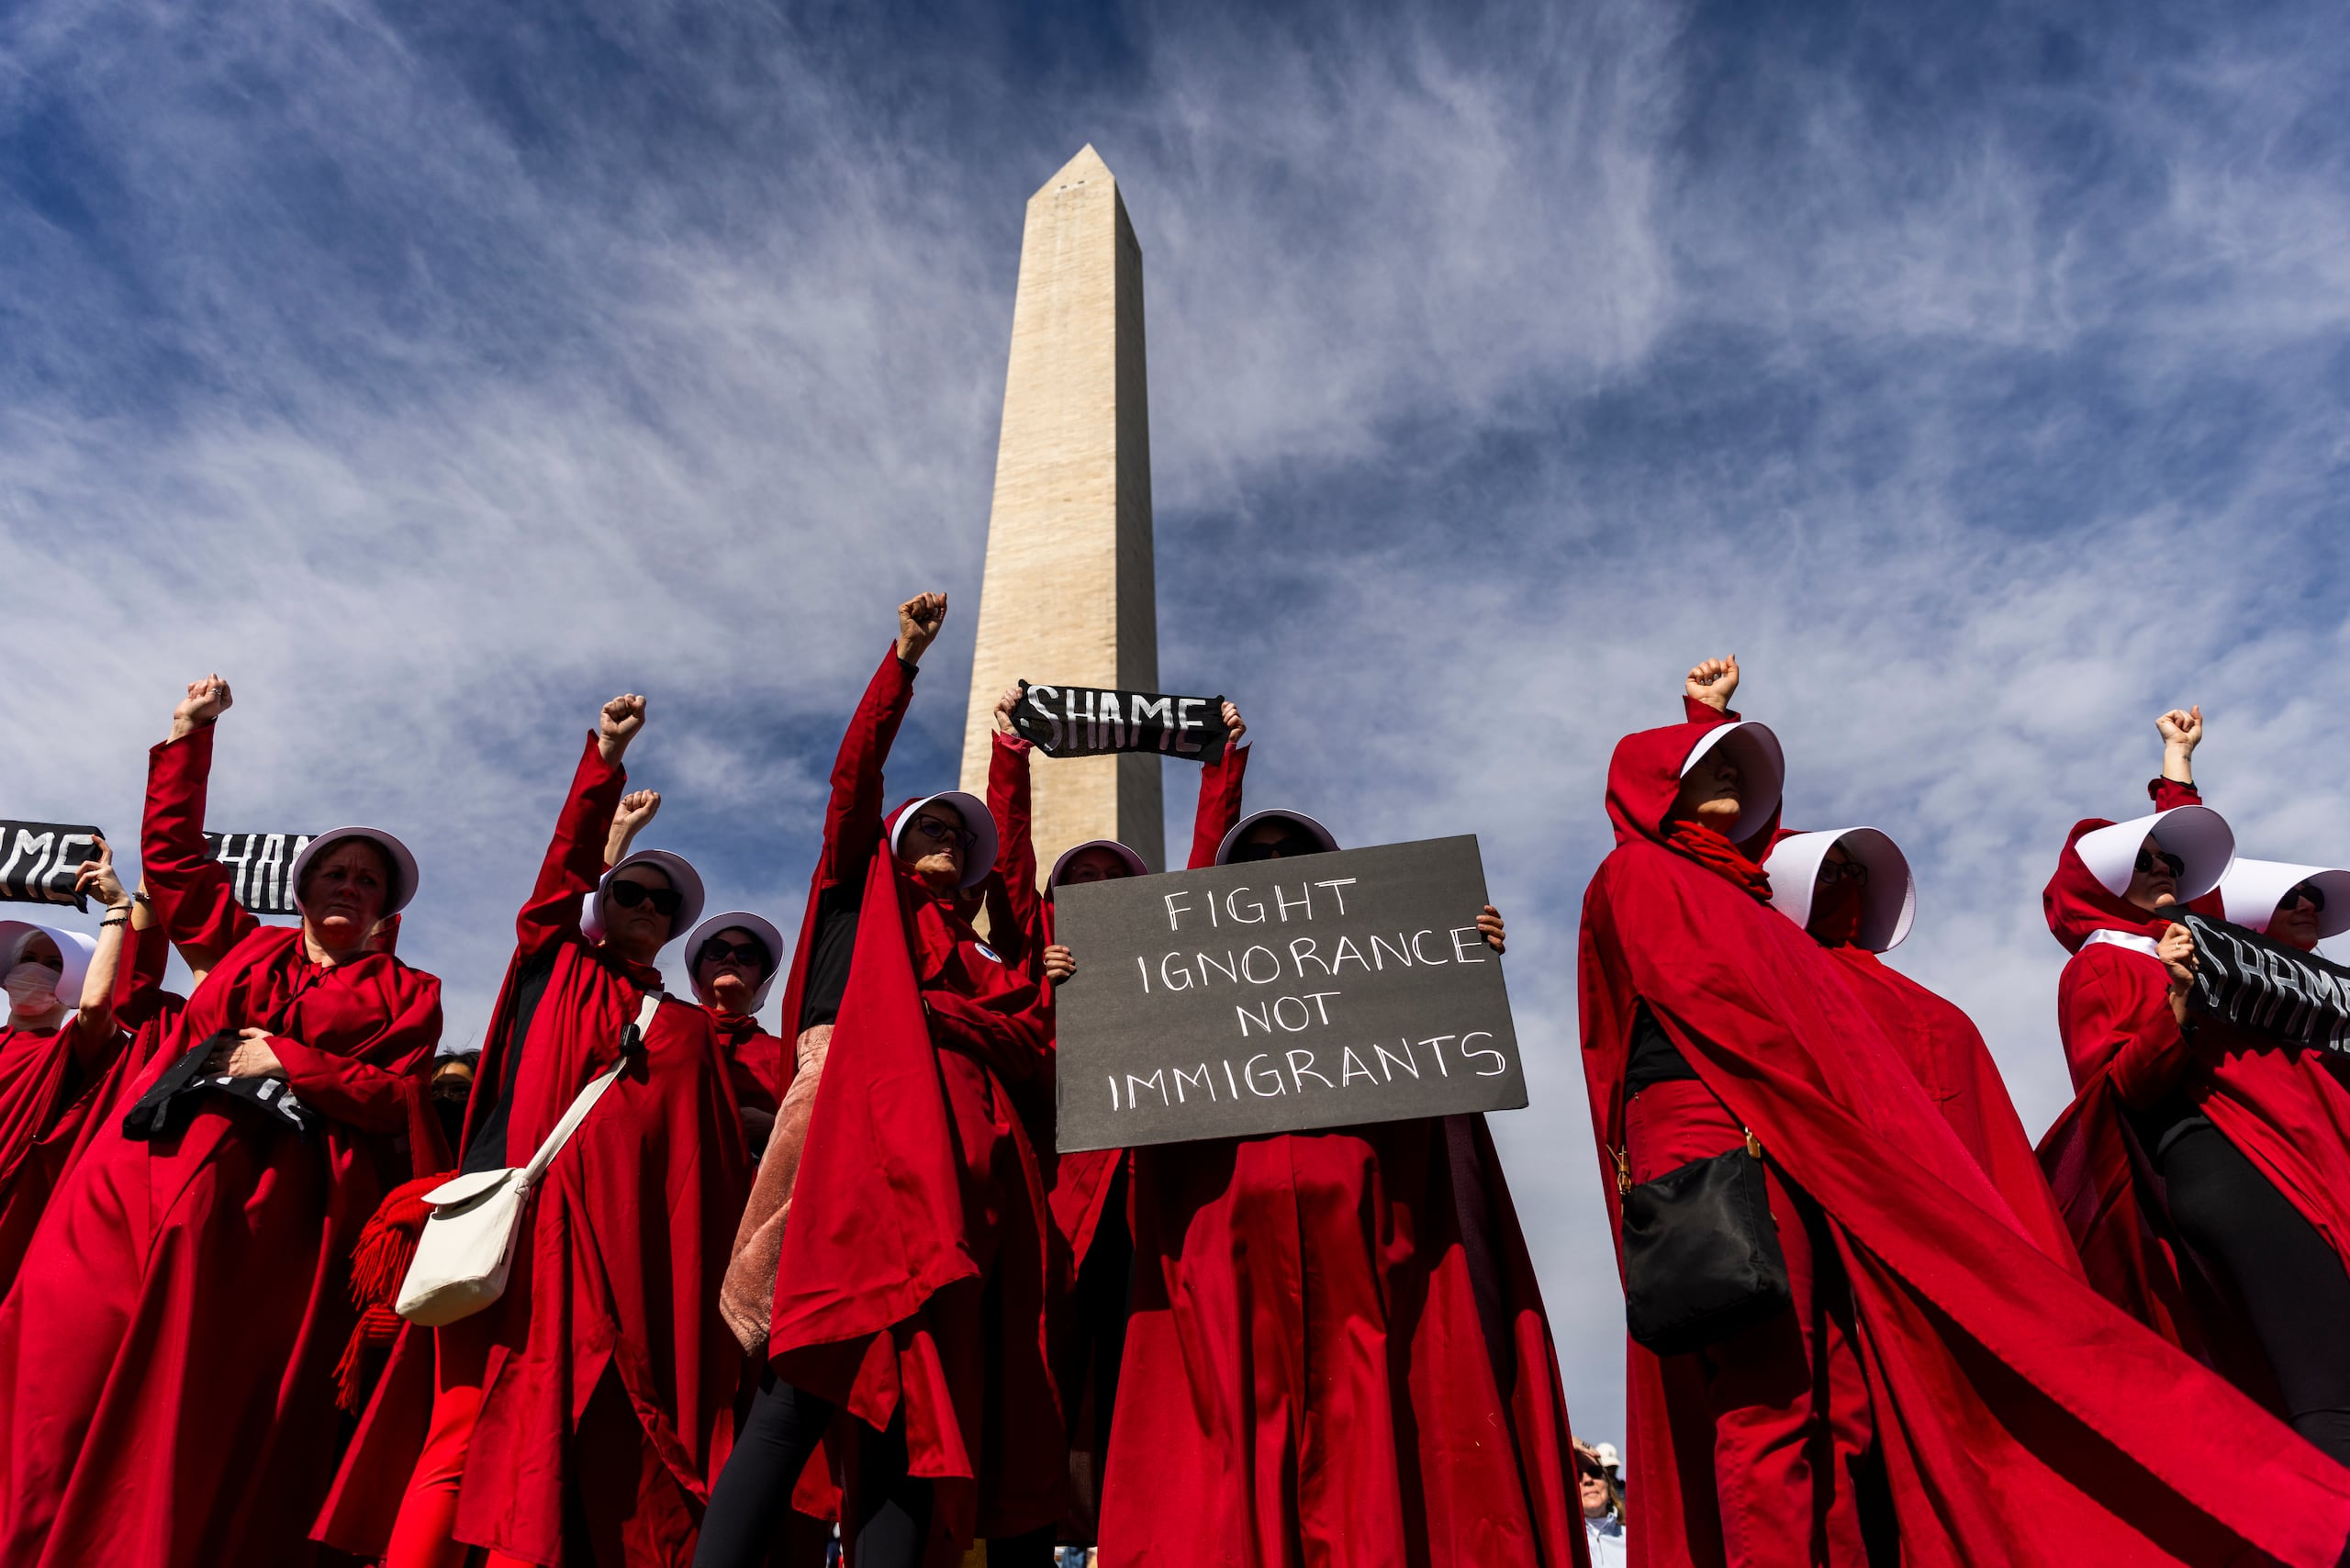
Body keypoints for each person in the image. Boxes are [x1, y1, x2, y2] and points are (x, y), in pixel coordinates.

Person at [1580, 658, 2350, 1567]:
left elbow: (2202, 914)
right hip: (1735, 1156)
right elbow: (1708, 998)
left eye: (1739, 772)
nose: (1737, 787)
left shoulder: (1747, 908)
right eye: (1709, 770)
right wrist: (1699, 720)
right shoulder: (1643, 877)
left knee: (1844, 1405)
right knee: (1772, 1400)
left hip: (1822, 1159)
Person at [0, 674, 445, 1568]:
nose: (349, 887)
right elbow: (170, 862)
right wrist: (187, 739)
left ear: (384, 908)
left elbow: (398, 1096)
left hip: (262, 1217)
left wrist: (294, 1060)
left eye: (367, 880)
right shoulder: (244, 944)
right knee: (60, 1353)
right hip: (137, 1175)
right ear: (305, 881)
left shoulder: (412, 994)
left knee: (186, 1408)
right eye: (335, 871)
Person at [1077, 792, 1578, 1564]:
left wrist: (1454, 959)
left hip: (1372, 1247)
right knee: (1235, 1450)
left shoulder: (1383, 971)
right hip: (1226, 1258)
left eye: (1294, 857)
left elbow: (1441, 1111)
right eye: (1256, 859)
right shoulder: (1177, 992)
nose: (1276, 870)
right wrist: (1083, 985)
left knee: (1377, 1435)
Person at [319, 691, 753, 1568]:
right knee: (463, 1434)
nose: (647, 906)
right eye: (630, 891)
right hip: (520, 1241)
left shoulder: (680, 1025)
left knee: (577, 1451)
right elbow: (559, 882)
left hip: (614, 1262)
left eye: (664, 905)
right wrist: (603, 760)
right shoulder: (552, 965)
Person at [696, 593, 1064, 1568]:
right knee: (807, 1375)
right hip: (854, 1156)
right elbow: (852, 787)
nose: (944, 838)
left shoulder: (987, 964)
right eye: (928, 827)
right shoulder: (856, 912)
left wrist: (1009, 760)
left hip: (962, 1186)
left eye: (960, 832)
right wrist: (901, 664)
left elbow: (1029, 1004)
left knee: (919, 1406)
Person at [2039, 707, 2350, 1463]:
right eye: (2144, 863)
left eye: (2172, 867)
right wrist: (2176, 1012)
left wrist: (2176, 759)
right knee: (2328, 1381)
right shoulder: (2102, 965)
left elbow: (2193, 850)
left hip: (2300, 1152)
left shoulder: (2206, 942)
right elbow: (2121, 1088)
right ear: (2101, 883)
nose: (2165, 872)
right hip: (2227, 1163)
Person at [979, 681, 1251, 1542]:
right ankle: (1040, 1538)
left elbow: (1207, 874)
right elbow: (1010, 861)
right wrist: (1010, 756)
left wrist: (1224, 765)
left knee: (1146, 1376)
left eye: (1113, 879)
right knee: (1053, 1380)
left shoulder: (1165, 952)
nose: (1096, 889)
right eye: (1081, 879)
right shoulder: (1033, 955)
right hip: (1063, 1206)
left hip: (1156, 1199)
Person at [1762, 823, 2079, 1268]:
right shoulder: (1790, 980)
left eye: (1851, 872)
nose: (1846, 886)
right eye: (1827, 874)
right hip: (1888, 1196)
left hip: (1976, 1187)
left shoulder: (1885, 983)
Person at [0, 847, 118, 1291]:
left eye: (55, 964)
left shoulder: (72, 1049)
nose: (34, 970)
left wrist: (120, 909)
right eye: (29, 957)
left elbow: (96, 1006)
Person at [1577, 1439, 1627, 1568]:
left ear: (1608, 1483)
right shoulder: (1557, 1542)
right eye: (1577, 1475)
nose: (1588, 1480)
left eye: (1595, 1472)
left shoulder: (1635, 1539)